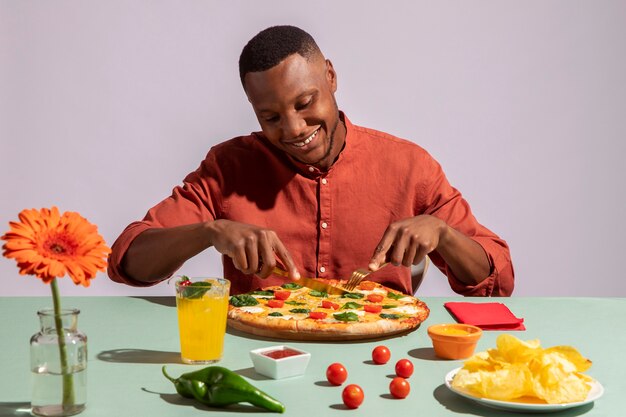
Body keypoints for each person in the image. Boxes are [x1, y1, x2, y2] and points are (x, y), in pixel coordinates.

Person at [108, 25, 514, 296]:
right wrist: (210, 231)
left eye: (305, 103)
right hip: (260, 359)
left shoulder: (409, 166)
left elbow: (498, 278)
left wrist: (443, 233)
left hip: (380, 361)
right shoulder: (227, 167)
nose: (294, 129)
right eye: (270, 117)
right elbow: (128, 259)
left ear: (331, 78)